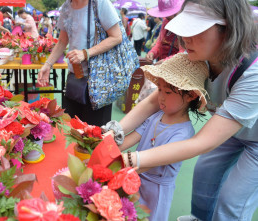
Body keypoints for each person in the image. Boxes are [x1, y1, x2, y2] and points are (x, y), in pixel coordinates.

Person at [103, 0, 258, 220]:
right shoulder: (195, 56)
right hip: (230, 129)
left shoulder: (252, 75)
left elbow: (201, 142)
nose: (186, 38)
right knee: (204, 175)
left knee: (233, 200)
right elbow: (151, 102)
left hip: (256, 139)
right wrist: (114, 130)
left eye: (196, 29)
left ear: (227, 30)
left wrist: (130, 160)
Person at [120, 53, 208, 221]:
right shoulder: (156, 116)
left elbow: (152, 163)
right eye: (159, 89)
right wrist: (105, 147)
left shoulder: (183, 133)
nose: (160, 96)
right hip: (133, 178)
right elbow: (132, 137)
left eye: (167, 92)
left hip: (155, 191)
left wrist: (116, 167)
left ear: (191, 95)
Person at [37, 0, 123, 126]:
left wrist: (86, 53)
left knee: (94, 133)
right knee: (71, 127)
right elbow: (62, 41)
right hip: (75, 77)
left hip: (99, 81)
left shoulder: (100, 3)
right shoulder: (66, 7)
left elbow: (116, 37)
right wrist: (47, 64)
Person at [145, 0, 184, 64]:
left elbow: (183, 53)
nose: (166, 16)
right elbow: (160, 43)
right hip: (163, 63)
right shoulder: (165, 22)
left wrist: (166, 61)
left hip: (177, 66)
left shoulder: (184, 25)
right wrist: (152, 53)